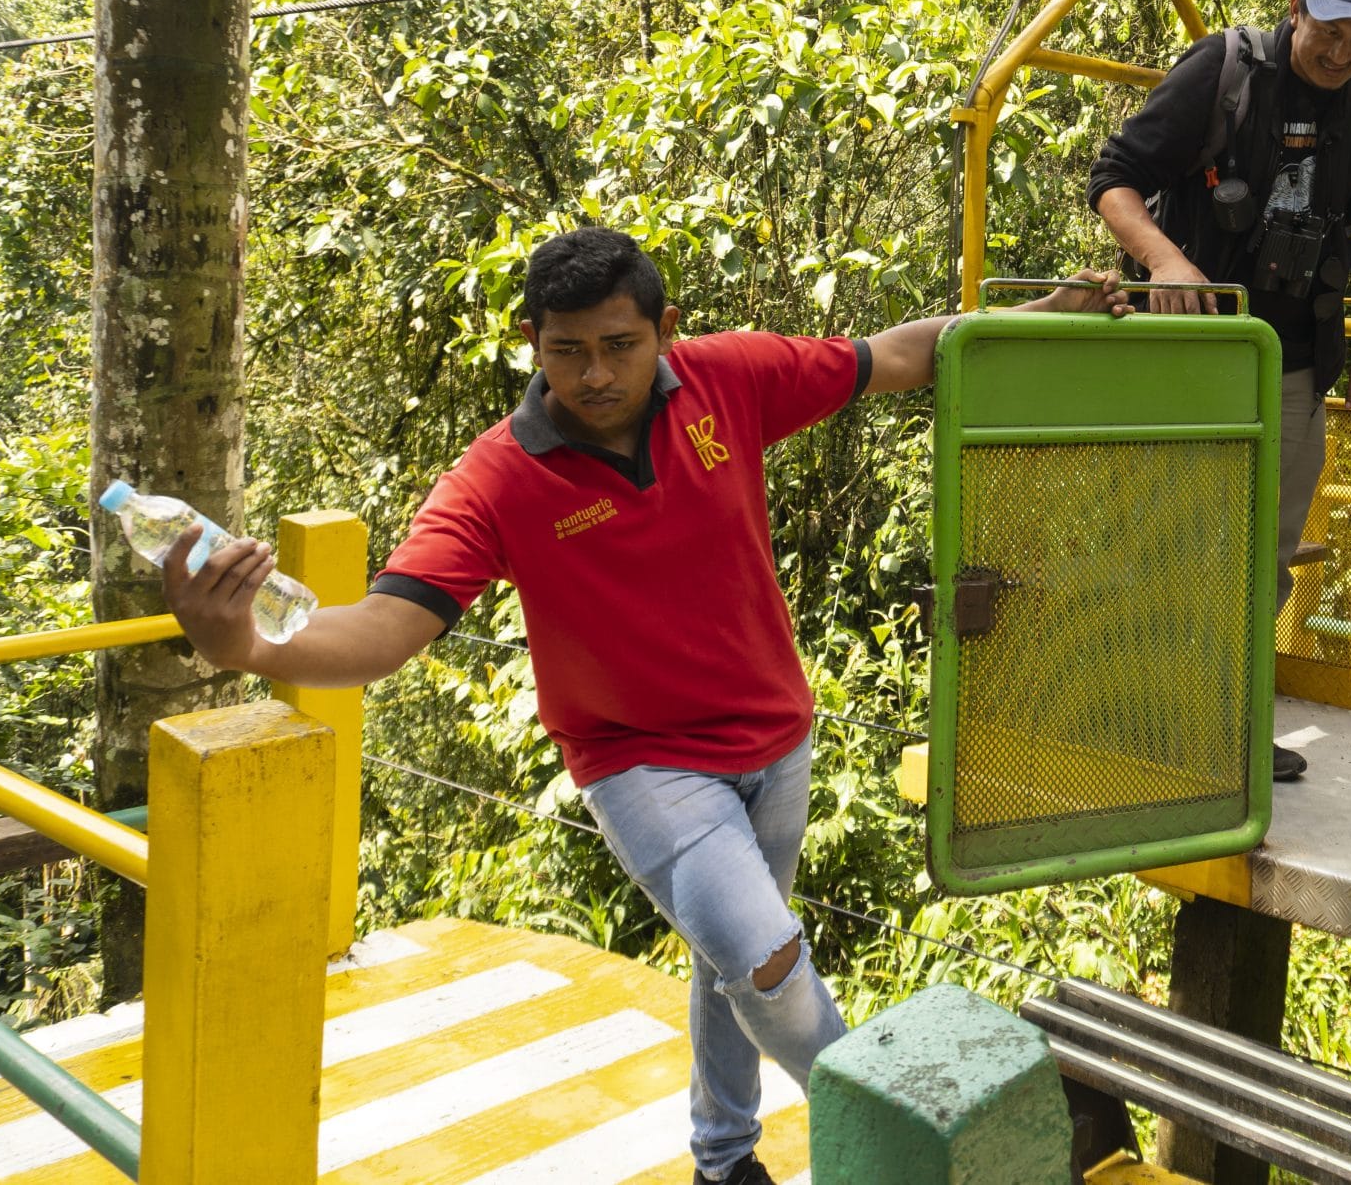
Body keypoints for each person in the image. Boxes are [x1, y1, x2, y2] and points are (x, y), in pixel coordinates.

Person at [161, 228, 1128, 1185]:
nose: (594, 375)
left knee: (730, 956)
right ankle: (906, 1146)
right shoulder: (496, 478)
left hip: (776, 738)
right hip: (641, 765)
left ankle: (723, 1158)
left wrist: (1038, 317)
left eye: (619, 345)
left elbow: (894, 355)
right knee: (765, 959)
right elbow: (384, 628)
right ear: (532, 340)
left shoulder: (728, 379)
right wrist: (240, 643)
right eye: (567, 350)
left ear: (665, 330)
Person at [1088, 0, 1351, 785]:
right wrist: (1165, 258)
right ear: (1296, 9)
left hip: (1295, 362)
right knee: (1169, 536)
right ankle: (1140, 715)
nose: (1341, 54)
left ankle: (1221, 718)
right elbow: (1114, 178)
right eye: (1330, 31)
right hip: (1193, 355)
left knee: (1264, 550)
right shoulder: (1226, 71)